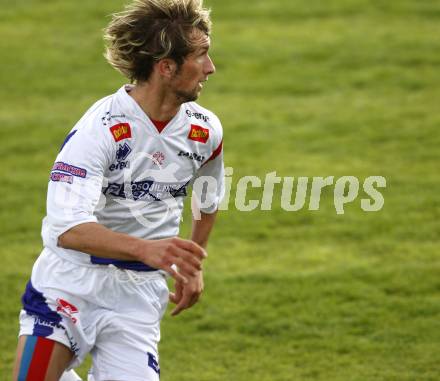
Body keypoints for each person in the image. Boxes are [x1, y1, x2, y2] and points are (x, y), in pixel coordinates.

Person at [13, 0, 224, 379]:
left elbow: (208, 196)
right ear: (166, 67)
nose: (211, 68)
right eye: (202, 55)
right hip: (69, 285)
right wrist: (148, 248)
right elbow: (67, 229)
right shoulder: (100, 131)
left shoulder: (205, 131)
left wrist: (193, 261)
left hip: (138, 294)